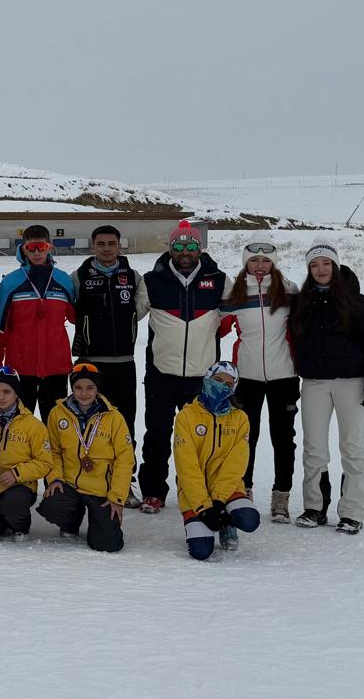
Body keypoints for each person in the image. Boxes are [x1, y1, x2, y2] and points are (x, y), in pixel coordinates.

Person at [289, 244, 364, 535]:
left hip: (353, 383)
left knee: (352, 446)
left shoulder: (357, 302)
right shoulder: (301, 303)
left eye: (326, 263)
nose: (321, 269)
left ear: (335, 266)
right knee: (314, 447)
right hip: (315, 383)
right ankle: (314, 507)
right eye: (314, 265)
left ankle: (352, 511)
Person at [138, 220, 229, 515]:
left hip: (203, 378)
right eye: (179, 246)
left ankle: (196, 490)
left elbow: (240, 312)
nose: (185, 251)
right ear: (171, 249)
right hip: (162, 374)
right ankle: (153, 492)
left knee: (200, 438)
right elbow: (130, 312)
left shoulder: (218, 280)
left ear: (200, 248)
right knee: (157, 435)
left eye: (191, 246)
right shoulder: (151, 281)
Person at [219, 241, 300, 523]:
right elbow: (216, 326)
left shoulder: (289, 290)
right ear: (246, 263)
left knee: (283, 438)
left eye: (266, 261)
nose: (260, 265)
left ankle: (281, 497)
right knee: (244, 438)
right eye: (254, 261)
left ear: (273, 263)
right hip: (247, 377)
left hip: (284, 376)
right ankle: (244, 491)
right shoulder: (235, 292)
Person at [70, 225, 147, 507]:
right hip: (91, 363)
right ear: (93, 246)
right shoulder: (79, 276)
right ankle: (86, 481)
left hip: (124, 362)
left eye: (111, 243)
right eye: (100, 243)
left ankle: (124, 482)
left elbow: (142, 306)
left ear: (119, 246)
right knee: (88, 425)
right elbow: (67, 306)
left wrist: (125, 322)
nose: (106, 248)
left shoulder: (133, 277)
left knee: (123, 427)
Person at [36, 364, 132, 552]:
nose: (84, 393)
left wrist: (117, 497)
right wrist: (54, 478)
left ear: (97, 389)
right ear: (72, 387)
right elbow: (53, 451)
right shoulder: (58, 413)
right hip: (70, 484)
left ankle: (99, 522)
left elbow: (125, 459)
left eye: (90, 388)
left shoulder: (113, 417)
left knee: (108, 544)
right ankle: (71, 521)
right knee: (52, 505)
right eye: (78, 387)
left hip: (101, 492)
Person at [0, 224, 76, 422]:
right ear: (23, 249)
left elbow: (76, 318)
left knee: (56, 428)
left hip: (56, 368)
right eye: (31, 248)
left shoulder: (64, 280)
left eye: (41, 247)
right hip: (20, 369)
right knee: (18, 428)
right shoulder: (11, 282)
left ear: (49, 247)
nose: (37, 252)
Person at [174, 361, 261, 559]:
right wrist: (204, 508)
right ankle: (202, 522)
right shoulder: (186, 416)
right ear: (206, 380)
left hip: (228, 489)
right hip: (193, 494)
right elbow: (187, 466)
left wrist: (219, 501)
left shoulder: (240, 418)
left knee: (249, 520)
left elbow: (236, 464)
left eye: (229, 384)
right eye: (218, 380)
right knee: (201, 551)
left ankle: (227, 522)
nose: (222, 386)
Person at [0, 368, 54, 542]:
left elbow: (44, 462)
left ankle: (19, 525)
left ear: (16, 393)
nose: (1, 397)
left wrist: (16, 473)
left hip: (19, 486)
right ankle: (3, 519)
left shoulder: (32, 425)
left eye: (7, 391)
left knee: (13, 504)